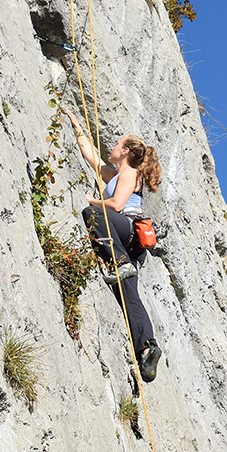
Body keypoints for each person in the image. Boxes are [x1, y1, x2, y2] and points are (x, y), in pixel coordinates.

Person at [66, 111, 164, 382]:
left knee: (92, 214)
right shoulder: (115, 174)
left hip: (126, 230)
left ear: (126, 152)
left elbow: (117, 206)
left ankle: (119, 263)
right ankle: (146, 348)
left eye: (116, 144)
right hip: (125, 240)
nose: (111, 147)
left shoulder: (131, 172)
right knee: (126, 292)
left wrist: (92, 200)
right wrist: (76, 126)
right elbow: (93, 159)